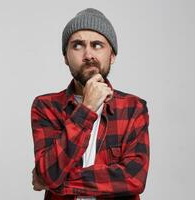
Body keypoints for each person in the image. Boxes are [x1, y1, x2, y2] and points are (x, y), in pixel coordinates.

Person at [31, 8, 150, 200]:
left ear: (112, 56)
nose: (88, 55)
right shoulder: (46, 107)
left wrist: (57, 182)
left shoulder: (133, 108)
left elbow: (133, 179)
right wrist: (86, 108)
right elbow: (49, 173)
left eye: (97, 45)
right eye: (77, 46)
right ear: (65, 57)